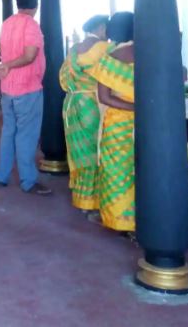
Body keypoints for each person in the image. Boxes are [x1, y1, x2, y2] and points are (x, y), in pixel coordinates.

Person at [0, 0, 51, 195]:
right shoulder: (31, 25)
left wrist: (6, 66)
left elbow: (2, 52)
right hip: (27, 87)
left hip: (8, 88)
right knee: (26, 135)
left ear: (18, 4)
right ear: (36, 5)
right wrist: (9, 65)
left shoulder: (7, 23)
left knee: (9, 132)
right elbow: (29, 56)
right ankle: (28, 181)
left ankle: (2, 175)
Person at [59, 14, 110, 212]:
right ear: (101, 28)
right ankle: (94, 199)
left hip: (72, 103)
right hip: (92, 103)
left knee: (78, 150)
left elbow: (63, 78)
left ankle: (82, 198)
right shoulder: (104, 48)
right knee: (95, 149)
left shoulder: (74, 49)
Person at [93, 12, 135, 233]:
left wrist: (133, 108)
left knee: (116, 170)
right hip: (145, 123)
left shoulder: (109, 58)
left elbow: (105, 98)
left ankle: (119, 220)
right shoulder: (149, 53)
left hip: (118, 122)